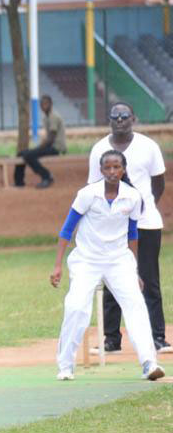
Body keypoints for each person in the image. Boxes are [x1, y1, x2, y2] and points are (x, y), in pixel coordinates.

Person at [50, 150, 164, 382]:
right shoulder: (87, 194)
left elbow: (132, 235)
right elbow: (67, 229)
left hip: (118, 260)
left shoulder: (132, 197)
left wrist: (135, 271)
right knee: (76, 306)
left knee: (135, 304)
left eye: (117, 167)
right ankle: (65, 365)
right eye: (108, 168)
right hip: (87, 259)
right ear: (101, 171)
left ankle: (149, 363)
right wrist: (58, 265)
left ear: (123, 169)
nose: (112, 172)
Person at [87, 102, 170, 354]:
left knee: (148, 279)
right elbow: (94, 188)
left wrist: (144, 208)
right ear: (109, 120)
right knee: (112, 279)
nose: (120, 120)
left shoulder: (148, 147)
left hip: (146, 224)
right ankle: (112, 339)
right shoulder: (99, 149)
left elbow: (159, 183)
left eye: (125, 116)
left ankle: (157, 337)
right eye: (115, 117)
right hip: (113, 227)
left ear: (133, 118)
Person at [14, 94, 66, 189]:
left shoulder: (53, 117)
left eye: (46, 104)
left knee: (29, 155)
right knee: (21, 153)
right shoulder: (46, 117)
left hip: (56, 148)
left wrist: (38, 148)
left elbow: (51, 139)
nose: (43, 106)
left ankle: (47, 176)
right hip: (50, 146)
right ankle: (19, 181)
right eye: (42, 104)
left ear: (51, 104)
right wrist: (38, 148)